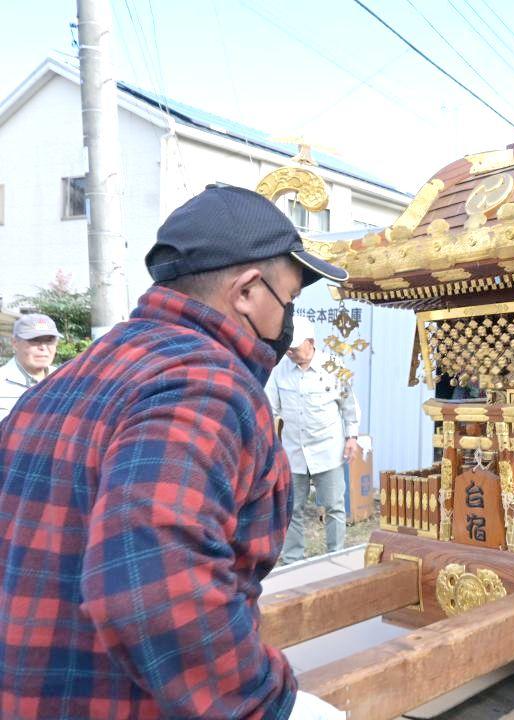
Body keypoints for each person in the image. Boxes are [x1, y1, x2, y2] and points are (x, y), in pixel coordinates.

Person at [0, 184, 348, 718]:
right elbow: (152, 585)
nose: (288, 322)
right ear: (249, 291)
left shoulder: (66, 380)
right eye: (289, 301)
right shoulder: (207, 387)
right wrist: (266, 704)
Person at [266, 315, 362, 565]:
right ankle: (293, 560)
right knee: (291, 509)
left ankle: (336, 557)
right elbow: (271, 409)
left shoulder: (335, 367)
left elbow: (349, 406)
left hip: (327, 450)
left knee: (334, 506)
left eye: (295, 348)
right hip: (294, 452)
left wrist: (352, 437)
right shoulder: (279, 370)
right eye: (288, 348)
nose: (290, 353)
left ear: (311, 342)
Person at [0, 313, 62, 423]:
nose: (43, 347)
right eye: (34, 340)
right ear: (15, 343)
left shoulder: (64, 379)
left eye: (49, 340)